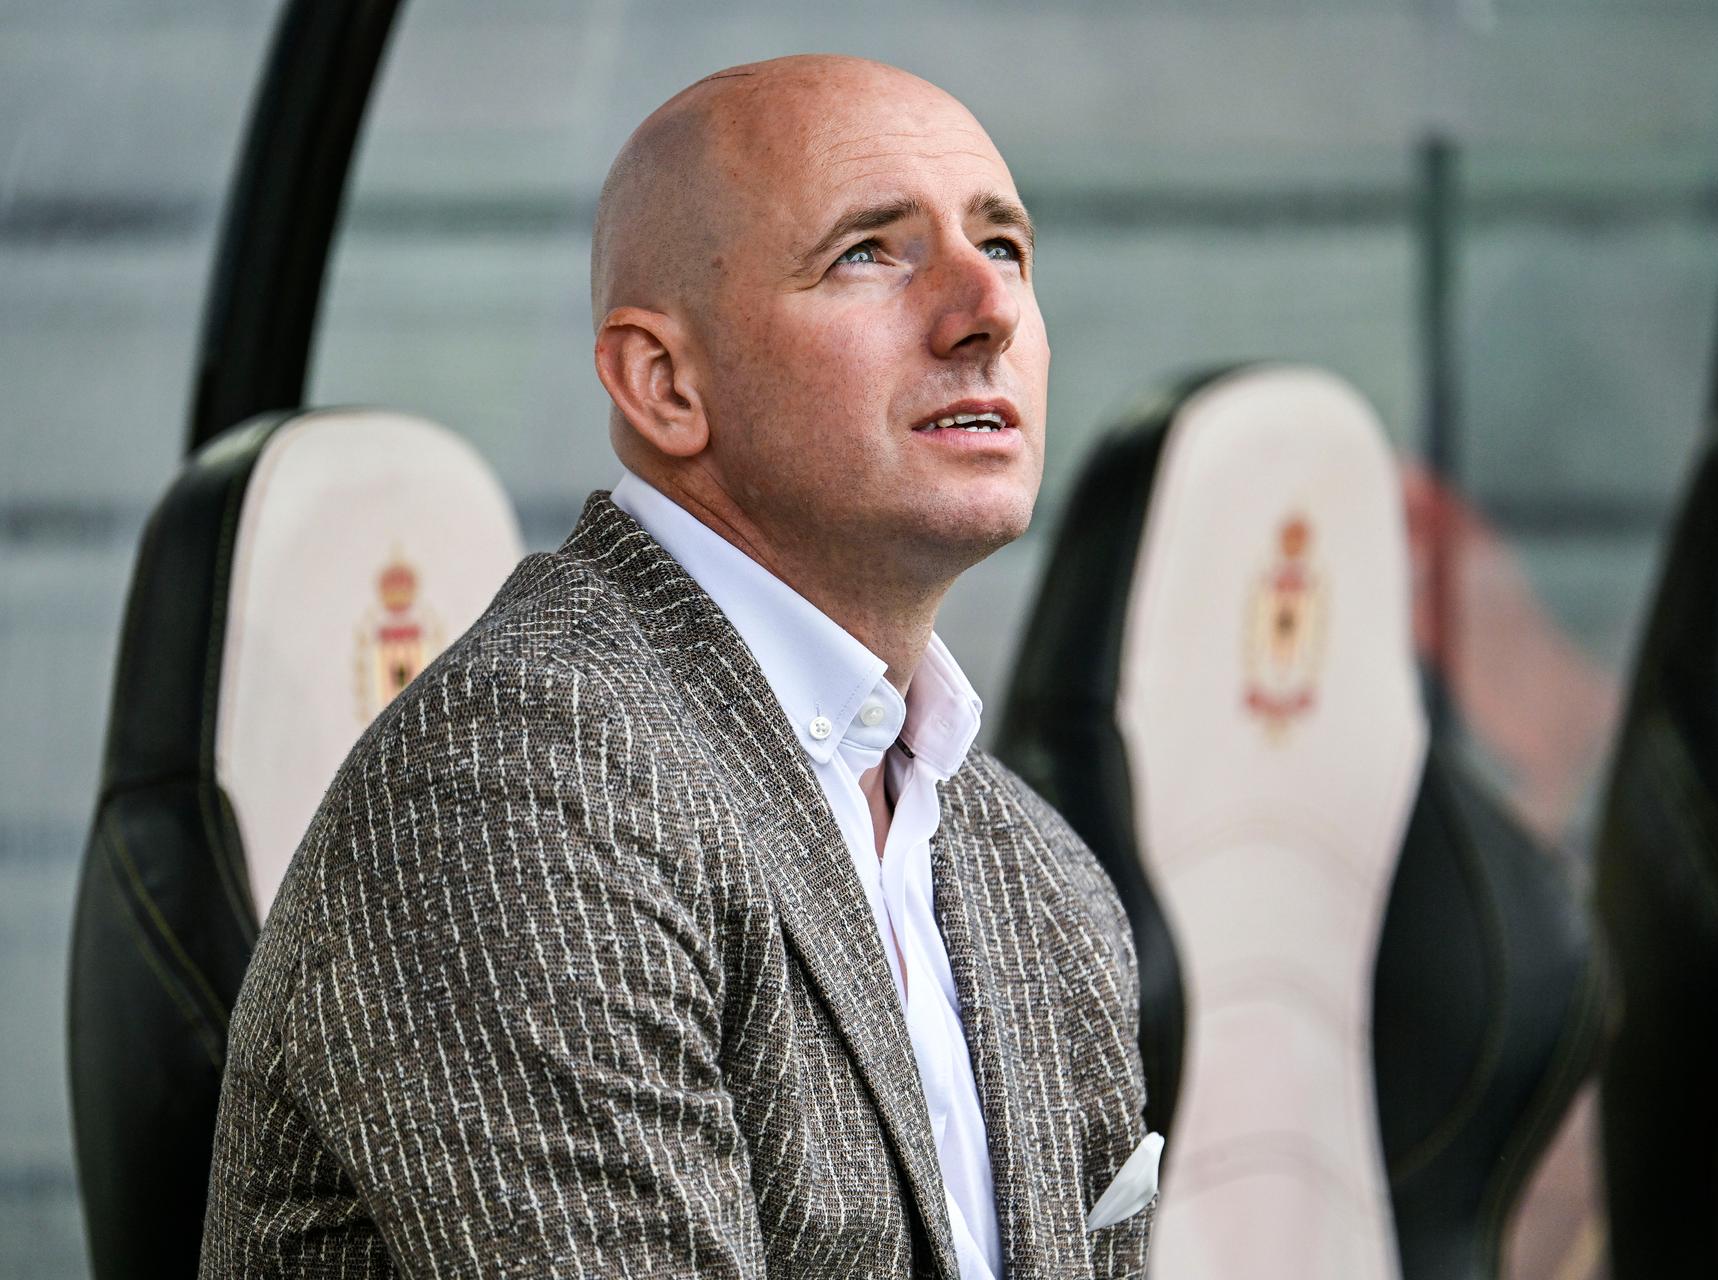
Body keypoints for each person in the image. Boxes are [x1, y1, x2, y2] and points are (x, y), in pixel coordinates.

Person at [199, 54, 1156, 1279]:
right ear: (664, 384)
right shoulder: (519, 786)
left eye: (1007, 247)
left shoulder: (1039, 872)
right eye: (871, 250)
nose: (989, 311)